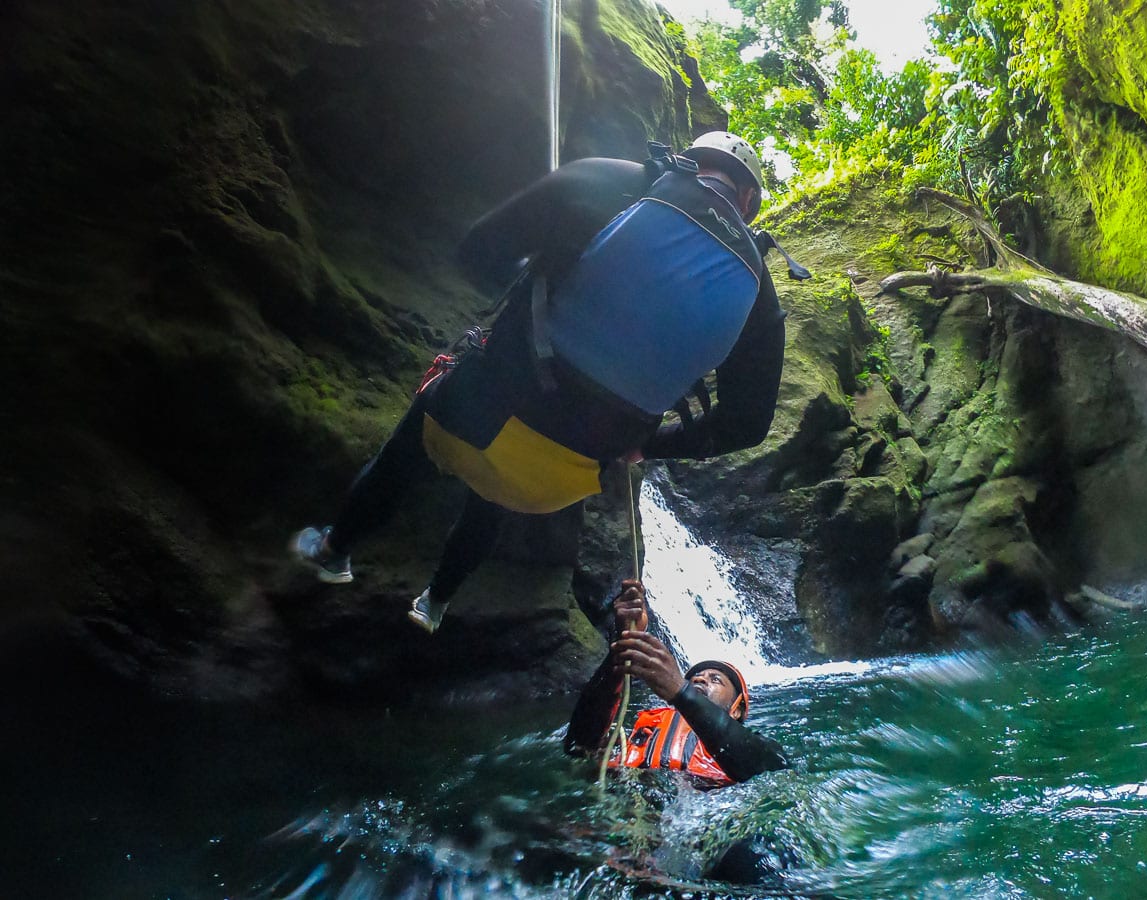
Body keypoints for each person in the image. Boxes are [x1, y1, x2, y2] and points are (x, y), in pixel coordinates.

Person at [292, 133, 807, 634]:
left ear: (688, 162)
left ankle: (335, 550)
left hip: (469, 420)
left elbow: (477, 251)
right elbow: (747, 425)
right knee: (496, 492)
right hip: (558, 483)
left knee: (417, 443)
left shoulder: (611, 180)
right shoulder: (758, 295)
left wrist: (535, 278)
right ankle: (437, 601)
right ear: (747, 202)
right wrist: (646, 444)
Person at [564, 580, 789, 786]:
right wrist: (623, 649)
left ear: (737, 710)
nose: (700, 678)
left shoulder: (755, 747)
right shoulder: (639, 731)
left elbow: (772, 769)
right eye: (693, 678)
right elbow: (578, 744)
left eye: (716, 679)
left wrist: (682, 691)